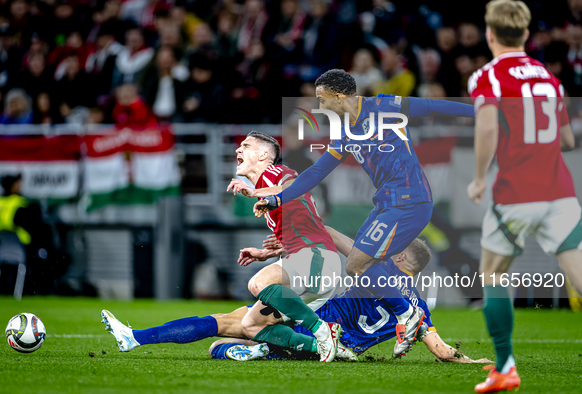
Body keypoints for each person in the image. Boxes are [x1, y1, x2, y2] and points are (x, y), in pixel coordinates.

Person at [253, 69, 474, 358]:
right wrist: (278, 199)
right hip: (386, 205)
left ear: (338, 96)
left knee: (356, 264)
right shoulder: (344, 133)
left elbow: (431, 106)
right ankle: (412, 316)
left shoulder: (385, 106)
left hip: (410, 201)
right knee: (364, 263)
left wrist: (477, 110)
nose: (320, 106)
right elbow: (317, 171)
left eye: (322, 99)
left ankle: (408, 314)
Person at [100, 228, 491, 364]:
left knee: (228, 328)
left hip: (315, 326)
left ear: (403, 255)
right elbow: (441, 349)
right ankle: (134, 338)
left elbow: (345, 245)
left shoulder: (380, 267)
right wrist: (472, 360)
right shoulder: (418, 305)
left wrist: (314, 222)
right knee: (229, 332)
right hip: (339, 350)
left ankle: (134, 338)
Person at [466, 1, 582, 392]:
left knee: (494, 274)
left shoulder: (489, 76)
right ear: (527, 34)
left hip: (516, 192)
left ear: (490, 34)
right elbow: (567, 139)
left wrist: (480, 177)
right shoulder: (550, 78)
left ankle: (505, 366)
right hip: (561, 193)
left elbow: (485, 127)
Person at [225, 131, 344, 362]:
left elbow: (295, 186)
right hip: (311, 266)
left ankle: (322, 331)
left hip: (317, 256)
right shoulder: (267, 191)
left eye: (246, 146)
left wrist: (256, 192)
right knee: (252, 325)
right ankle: (326, 348)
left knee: (258, 283)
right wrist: (269, 252)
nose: (238, 150)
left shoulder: (276, 173)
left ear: (263, 155)